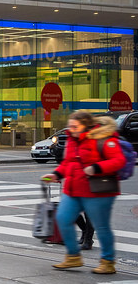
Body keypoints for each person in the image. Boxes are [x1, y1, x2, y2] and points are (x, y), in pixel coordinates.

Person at [43, 111, 126, 274]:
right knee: (63, 218)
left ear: (86, 125)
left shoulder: (103, 137)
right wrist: (57, 174)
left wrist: (96, 168)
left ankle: (108, 261)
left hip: (98, 190)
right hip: (73, 189)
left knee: (101, 226)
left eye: (76, 126)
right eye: (70, 125)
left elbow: (118, 160)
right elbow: (69, 162)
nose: (72, 128)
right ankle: (73, 256)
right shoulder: (72, 139)